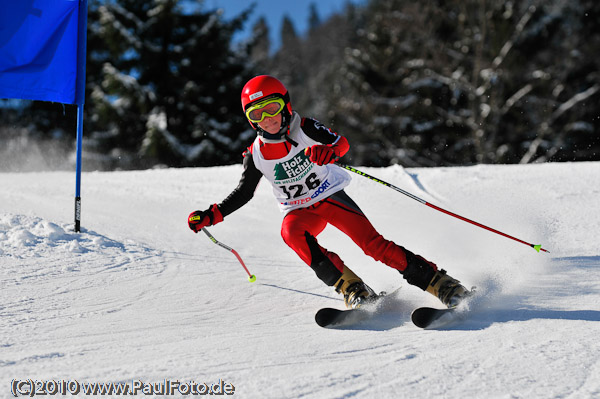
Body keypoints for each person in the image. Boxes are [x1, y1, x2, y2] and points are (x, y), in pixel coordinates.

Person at [188, 75, 470, 309]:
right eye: (257, 114)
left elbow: (342, 143)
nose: (268, 118)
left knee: (373, 245)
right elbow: (243, 192)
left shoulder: (305, 127)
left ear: (285, 106)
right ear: (251, 120)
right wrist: (211, 215)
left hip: (329, 196)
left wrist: (329, 152)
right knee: (290, 233)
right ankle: (352, 288)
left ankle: (441, 284)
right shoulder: (256, 153)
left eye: (272, 108)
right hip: (299, 211)